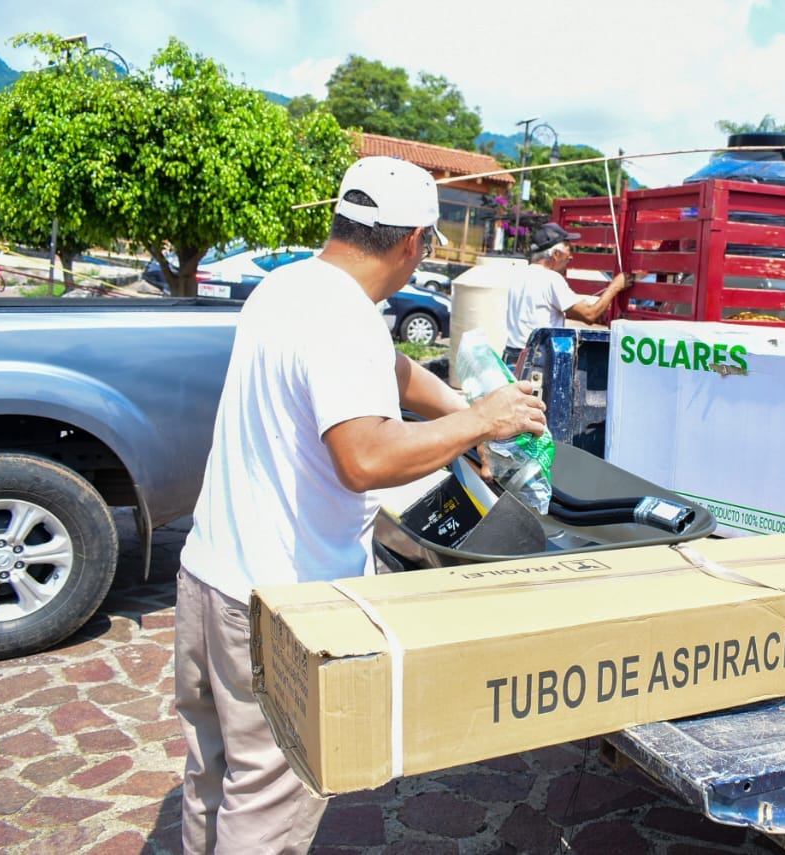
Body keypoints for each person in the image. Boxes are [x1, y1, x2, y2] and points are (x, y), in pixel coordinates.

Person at [174, 156, 546, 854]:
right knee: (267, 806)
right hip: (275, 605)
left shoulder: (290, 288)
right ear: (416, 243)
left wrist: (468, 406)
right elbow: (366, 459)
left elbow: (391, 367)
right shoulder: (343, 318)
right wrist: (480, 424)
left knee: (213, 776)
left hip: (207, 577)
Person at [501, 222, 631, 368]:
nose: (571, 257)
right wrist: (615, 286)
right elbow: (589, 315)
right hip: (535, 361)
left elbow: (544, 311)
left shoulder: (520, 275)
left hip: (512, 356)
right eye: (569, 251)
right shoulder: (551, 279)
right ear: (556, 255)